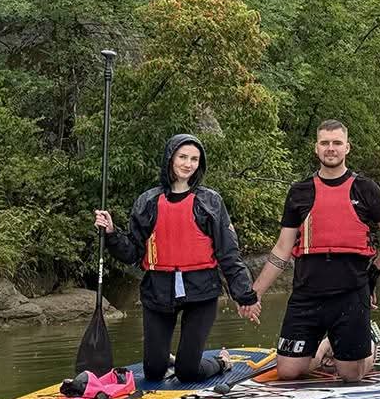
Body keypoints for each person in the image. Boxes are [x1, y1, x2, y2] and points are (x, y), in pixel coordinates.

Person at [94, 134, 260, 382]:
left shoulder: (210, 201)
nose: (188, 164)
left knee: (187, 372)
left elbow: (228, 253)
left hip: (201, 292)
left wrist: (245, 296)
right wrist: (111, 233)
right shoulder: (148, 202)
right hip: (158, 291)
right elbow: (133, 253)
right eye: (182, 157)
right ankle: (167, 358)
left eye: (194, 159)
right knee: (153, 371)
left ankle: (220, 361)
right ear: (170, 159)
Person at [251, 120, 380, 381]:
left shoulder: (365, 189)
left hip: (351, 294)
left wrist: (372, 276)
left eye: (336, 143)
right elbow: (282, 248)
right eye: (325, 143)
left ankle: (368, 344)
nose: (330, 148)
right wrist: (255, 293)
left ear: (347, 147)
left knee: (351, 375)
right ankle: (326, 345)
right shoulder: (299, 192)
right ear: (316, 148)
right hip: (307, 294)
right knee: (288, 371)